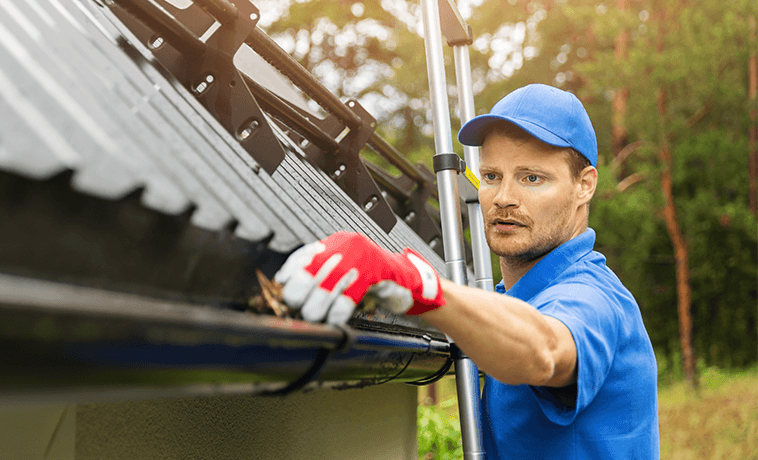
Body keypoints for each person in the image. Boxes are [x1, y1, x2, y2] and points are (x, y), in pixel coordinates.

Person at [273, 84, 659, 459]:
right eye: (492, 176)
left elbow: (545, 349)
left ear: (584, 186)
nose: (504, 198)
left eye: (532, 178)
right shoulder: (509, 298)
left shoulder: (594, 297)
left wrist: (416, 283)